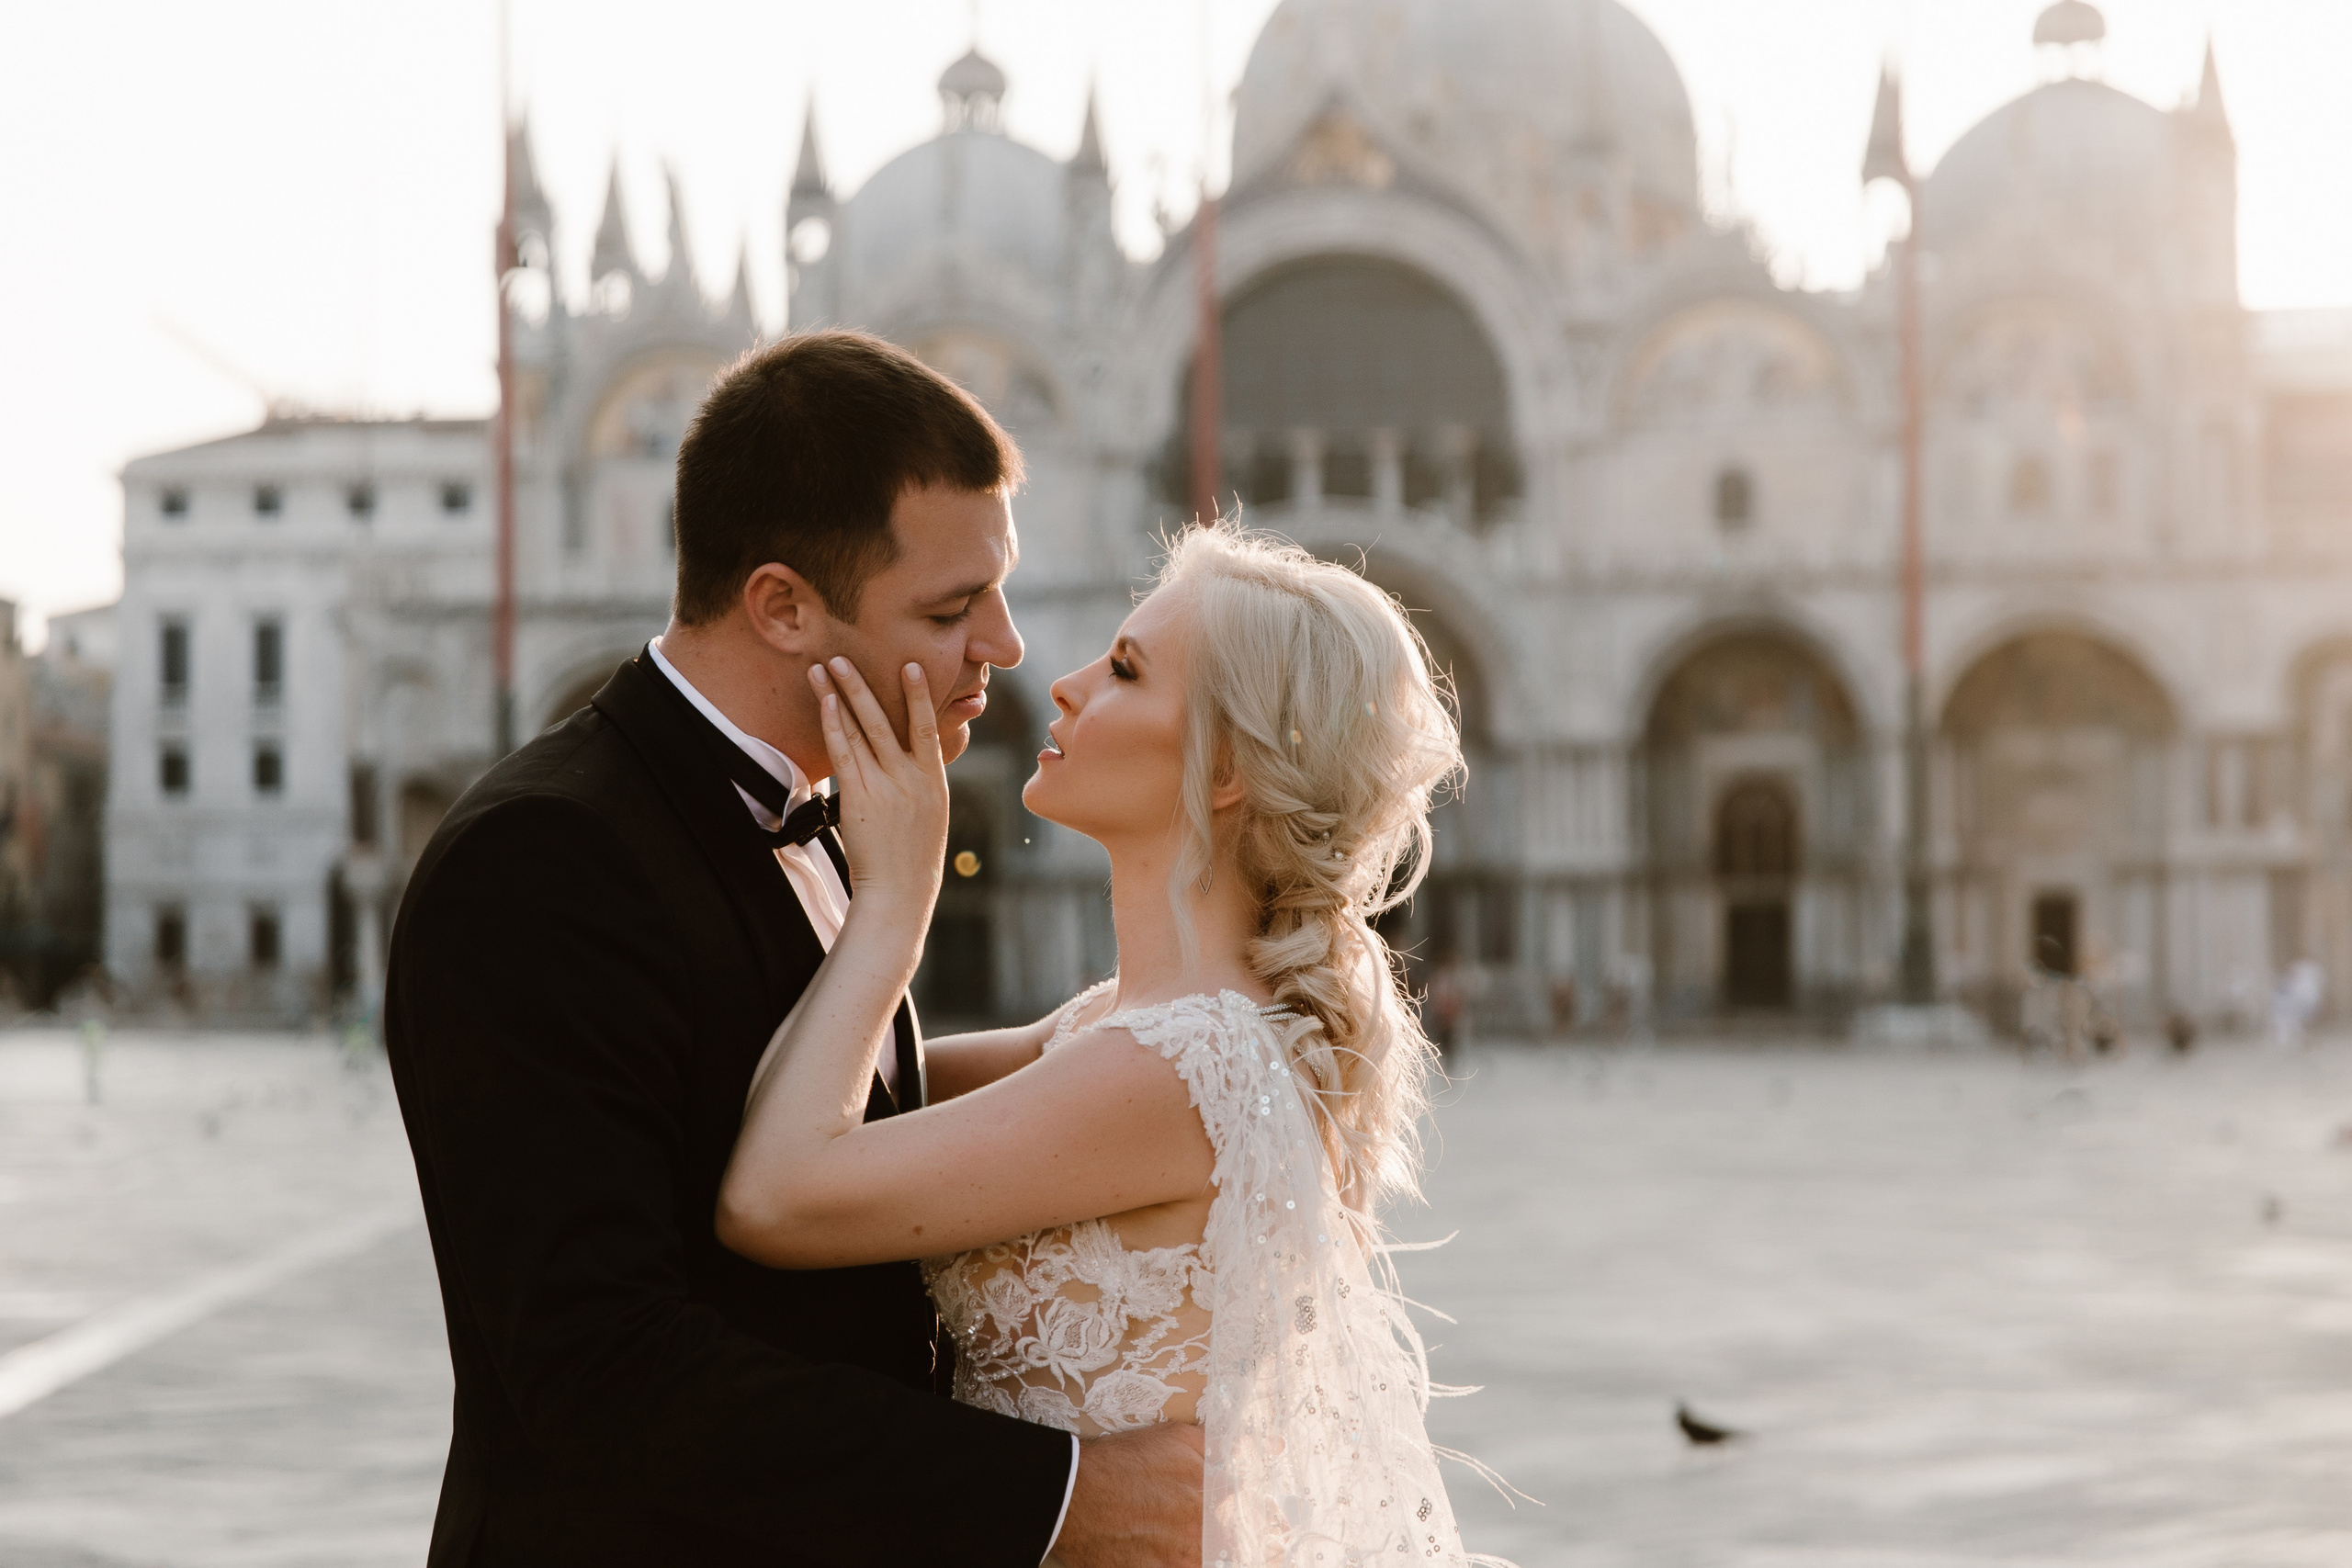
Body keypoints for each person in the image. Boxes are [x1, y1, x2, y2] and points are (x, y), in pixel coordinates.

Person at [383, 331, 1202, 1565]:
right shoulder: (543, 856)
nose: (1010, 644)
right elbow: (600, 1367)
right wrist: (1068, 1495)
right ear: (781, 605)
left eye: (999, 585)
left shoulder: (844, 803)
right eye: (950, 605)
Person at [716, 524, 1499, 1565]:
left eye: (1125, 669)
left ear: (1227, 767)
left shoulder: (1175, 1070)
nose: (1068, 683)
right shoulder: (1118, 1029)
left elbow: (771, 1197)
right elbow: (853, 1093)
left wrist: (896, 902)